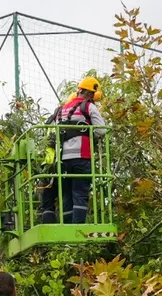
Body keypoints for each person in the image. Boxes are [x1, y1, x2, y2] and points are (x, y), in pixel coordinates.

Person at [39, 76, 107, 225]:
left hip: (62, 160)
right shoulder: (88, 107)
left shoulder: (61, 109)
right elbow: (101, 131)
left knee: (67, 195)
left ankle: (68, 227)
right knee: (80, 194)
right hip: (82, 157)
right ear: (90, 94)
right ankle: (77, 229)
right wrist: (90, 134)